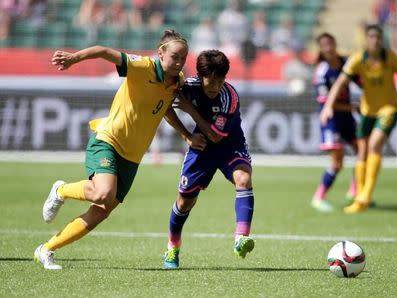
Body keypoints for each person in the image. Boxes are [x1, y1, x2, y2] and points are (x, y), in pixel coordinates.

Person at [34, 29, 207, 270]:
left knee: (101, 212)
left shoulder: (176, 82)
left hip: (133, 157)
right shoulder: (142, 66)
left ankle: (46, 249)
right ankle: (60, 190)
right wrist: (74, 58)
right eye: (174, 57)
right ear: (160, 53)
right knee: (103, 193)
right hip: (109, 139)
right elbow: (104, 51)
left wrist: (187, 135)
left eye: (183, 58)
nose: (179, 62)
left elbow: (166, 109)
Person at [162, 50, 255, 268]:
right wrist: (186, 136)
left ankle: (241, 238)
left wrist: (191, 111)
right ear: (200, 76)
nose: (215, 85)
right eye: (210, 80)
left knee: (243, 178)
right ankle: (172, 248)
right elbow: (166, 108)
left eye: (220, 80)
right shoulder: (187, 87)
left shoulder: (229, 96)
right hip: (201, 146)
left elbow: (216, 135)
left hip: (229, 144)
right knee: (185, 202)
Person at [320, 25, 397, 214]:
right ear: (366, 40)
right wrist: (327, 106)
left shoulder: (390, 56)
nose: (375, 40)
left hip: (389, 108)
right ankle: (359, 196)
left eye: (378, 37)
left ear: (382, 39)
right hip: (367, 110)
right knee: (362, 151)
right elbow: (340, 83)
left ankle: (365, 195)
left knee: (374, 144)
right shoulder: (358, 58)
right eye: (371, 36)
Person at [311, 33, 358, 212]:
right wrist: (352, 107)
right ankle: (318, 197)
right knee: (337, 162)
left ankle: (355, 192)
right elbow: (325, 103)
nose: (329, 48)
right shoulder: (322, 71)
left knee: (363, 152)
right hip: (331, 120)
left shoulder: (346, 63)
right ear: (321, 49)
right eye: (325, 45)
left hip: (346, 118)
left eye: (331, 43)